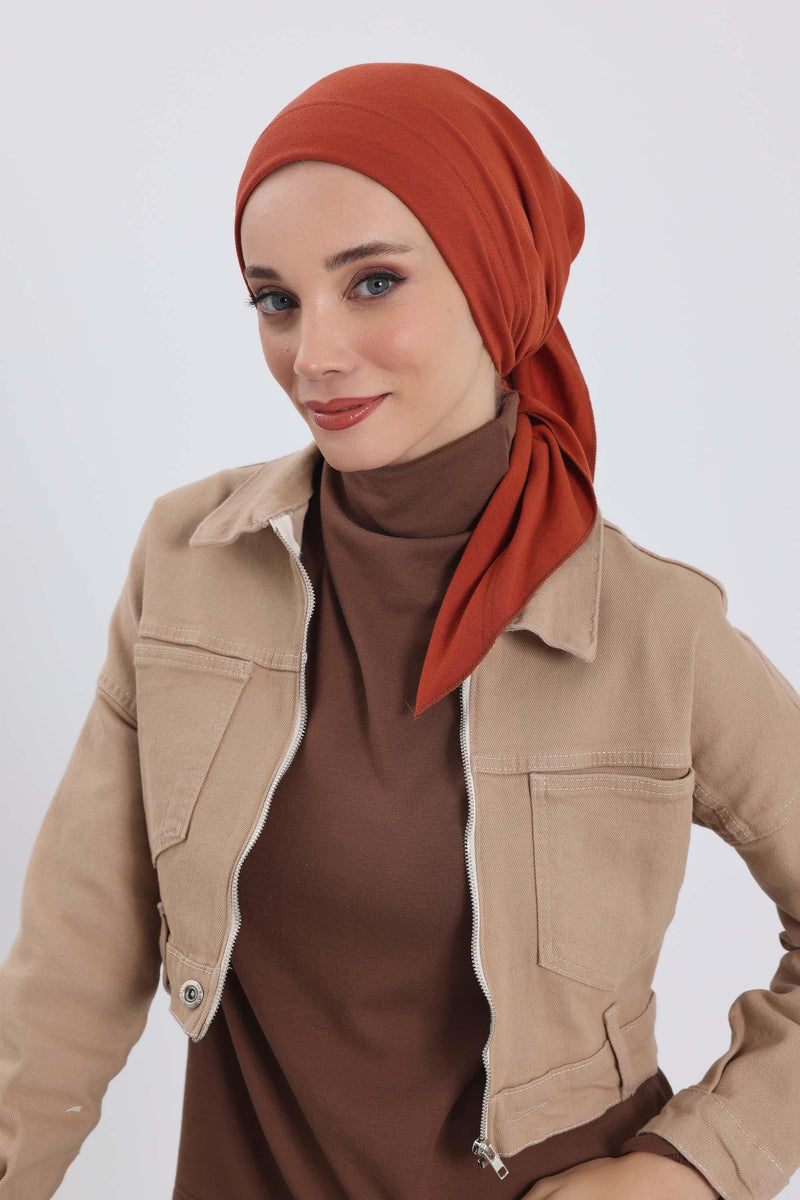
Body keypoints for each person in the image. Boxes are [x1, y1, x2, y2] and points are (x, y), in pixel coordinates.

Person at [0, 61, 798, 1200]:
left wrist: (686, 1173)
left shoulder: (652, 632)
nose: (313, 354)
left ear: (491, 277)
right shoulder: (192, 565)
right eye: (275, 300)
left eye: (372, 282)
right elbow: (71, 968)